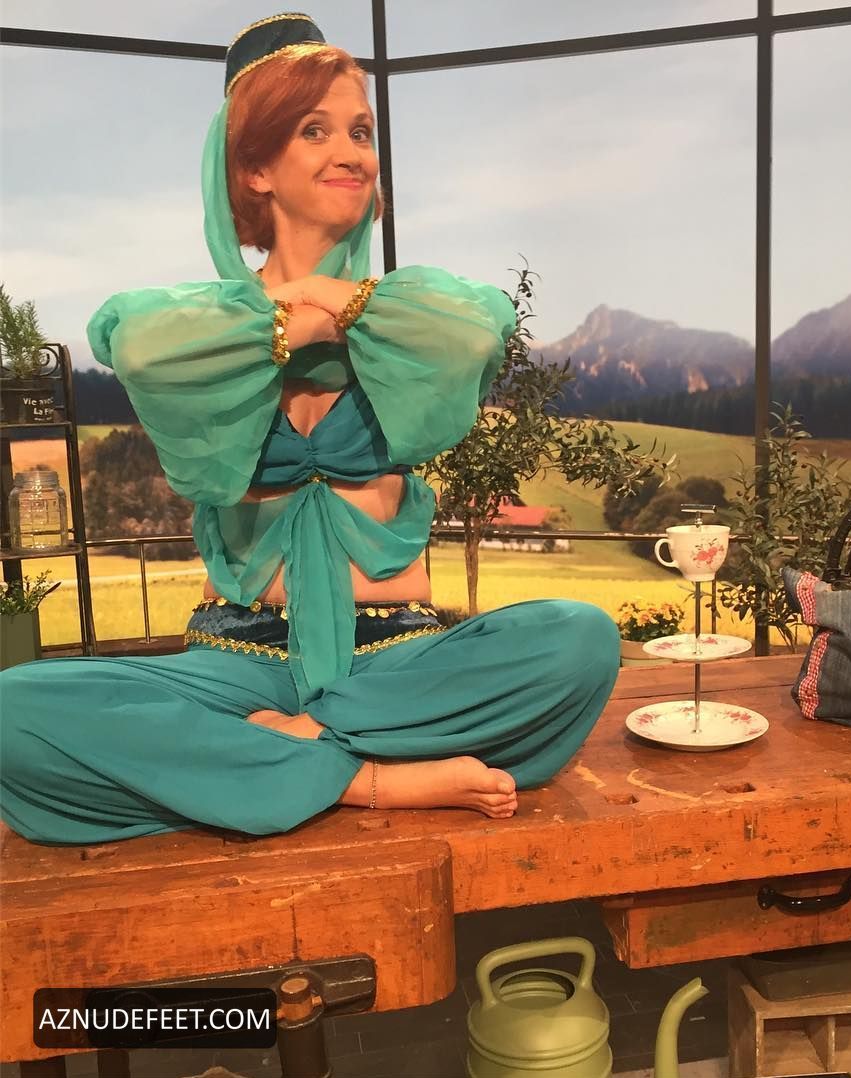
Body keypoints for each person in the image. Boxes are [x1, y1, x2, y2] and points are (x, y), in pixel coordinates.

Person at [0, 13, 620, 845]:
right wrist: (283, 323)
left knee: (580, 640)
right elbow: (132, 342)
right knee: (12, 713)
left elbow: (478, 329)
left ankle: (268, 759)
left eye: (361, 131)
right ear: (255, 167)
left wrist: (337, 302)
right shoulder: (206, 327)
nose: (352, 152)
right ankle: (369, 778)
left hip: (396, 664)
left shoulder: (403, 317)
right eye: (315, 130)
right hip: (238, 662)